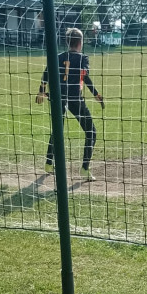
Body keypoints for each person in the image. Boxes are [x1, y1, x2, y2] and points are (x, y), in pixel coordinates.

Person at [35, 27, 104, 181]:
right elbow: (84, 75)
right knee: (91, 132)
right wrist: (95, 93)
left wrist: (41, 91)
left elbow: (46, 74)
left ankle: (48, 163)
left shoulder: (58, 57)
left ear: (67, 42)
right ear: (80, 42)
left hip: (57, 97)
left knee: (57, 130)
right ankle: (84, 168)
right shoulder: (83, 58)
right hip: (74, 99)